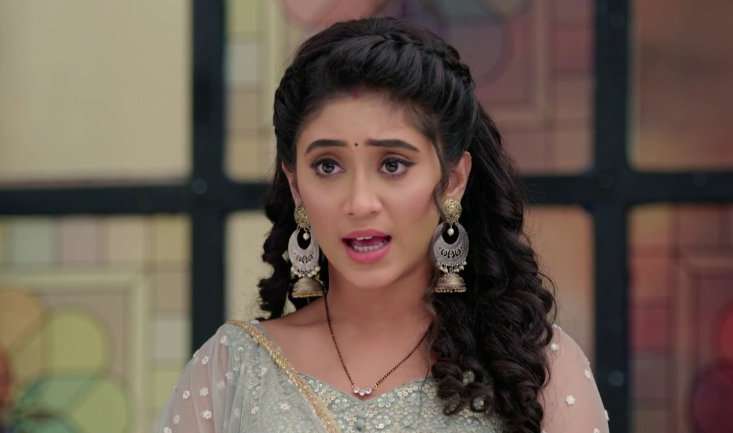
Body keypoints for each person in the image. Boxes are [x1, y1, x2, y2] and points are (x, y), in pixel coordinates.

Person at [157, 16, 609, 433]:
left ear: (453, 180)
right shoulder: (231, 369)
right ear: (296, 186)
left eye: (393, 164)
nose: (359, 203)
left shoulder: (536, 369)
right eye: (328, 166)